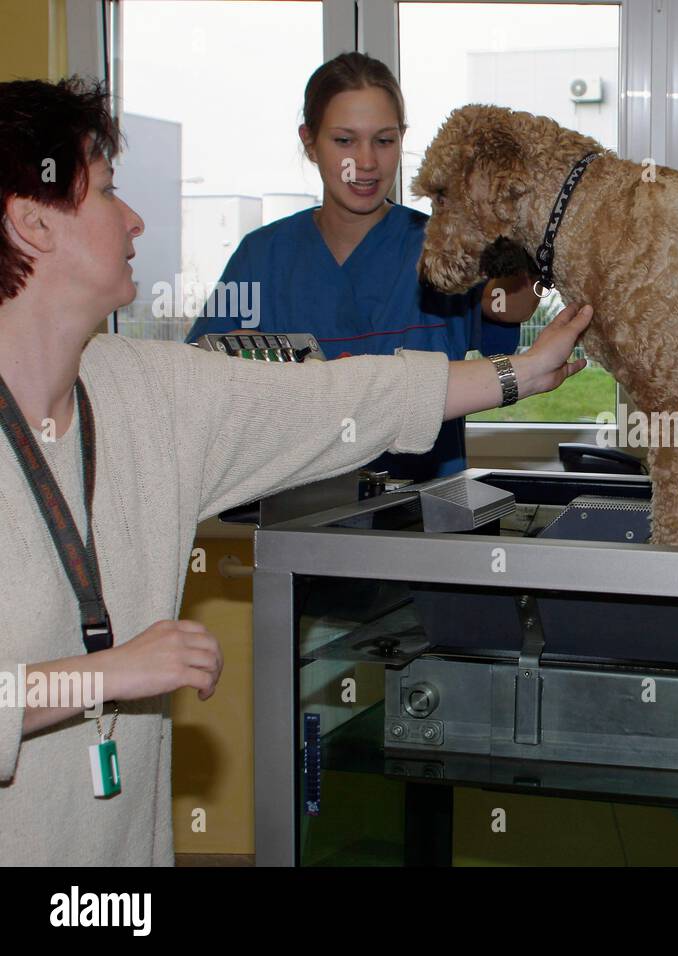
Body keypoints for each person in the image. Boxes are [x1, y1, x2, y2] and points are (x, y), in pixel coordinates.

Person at [0, 77, 590, 866]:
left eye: (385, 138)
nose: (135, 218)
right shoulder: (264, 261)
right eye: (108, 192)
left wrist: (518, 374)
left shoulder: (146, 390)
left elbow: (339, 395)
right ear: (33, 222)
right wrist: (101, 675)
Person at [185, 52, 540, 480]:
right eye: (344, 141)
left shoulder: (441, 244)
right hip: (300, 520)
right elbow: (200, 375)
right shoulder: (261, 257)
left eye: (384, 140)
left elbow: (510, 306)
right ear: (309, 142)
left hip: (427, 523)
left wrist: (520, 240)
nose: (366, 162)